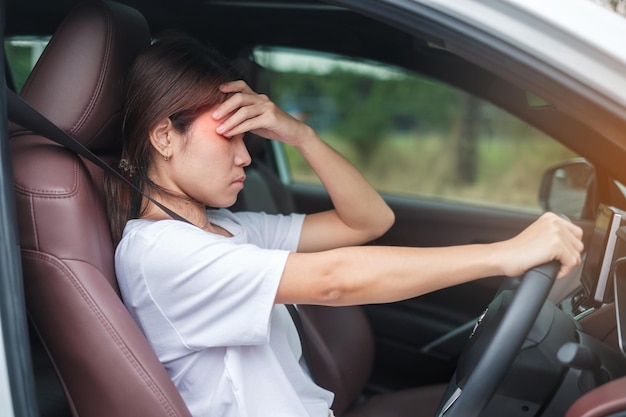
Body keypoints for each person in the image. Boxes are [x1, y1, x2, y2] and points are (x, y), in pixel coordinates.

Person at [105, 32, 584, 417]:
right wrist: (504, 253)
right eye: (229, 136)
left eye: (249, 138)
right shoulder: (161, 253)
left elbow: (369, 220)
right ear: (166, 135)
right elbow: (336, 280)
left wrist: (301, 135)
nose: (246, 156)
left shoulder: (229, 231)